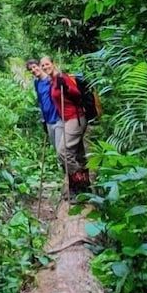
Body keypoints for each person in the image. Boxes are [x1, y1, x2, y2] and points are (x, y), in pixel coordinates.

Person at [38, 55, 91, 195]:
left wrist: (66, 87)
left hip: (76, 118)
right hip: (67, 120)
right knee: (78, 154)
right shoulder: (53, 80)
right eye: (42, 65)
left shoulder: (63, 78)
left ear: (53, 63)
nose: (45, 67)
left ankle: (80, 183)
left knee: (63, 152)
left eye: (47, 64)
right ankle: (84, 188)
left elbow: (77, 94)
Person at [26, 59, 62, 147]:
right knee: (56, 149)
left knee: (62, 149)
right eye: (30, 69)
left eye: (34, 67)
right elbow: (41, 101)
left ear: (40, 66)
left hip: (58, 118)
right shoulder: (36, 83)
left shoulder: (51, 79)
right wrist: (43, 120)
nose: (33, 70)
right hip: (48, 120)